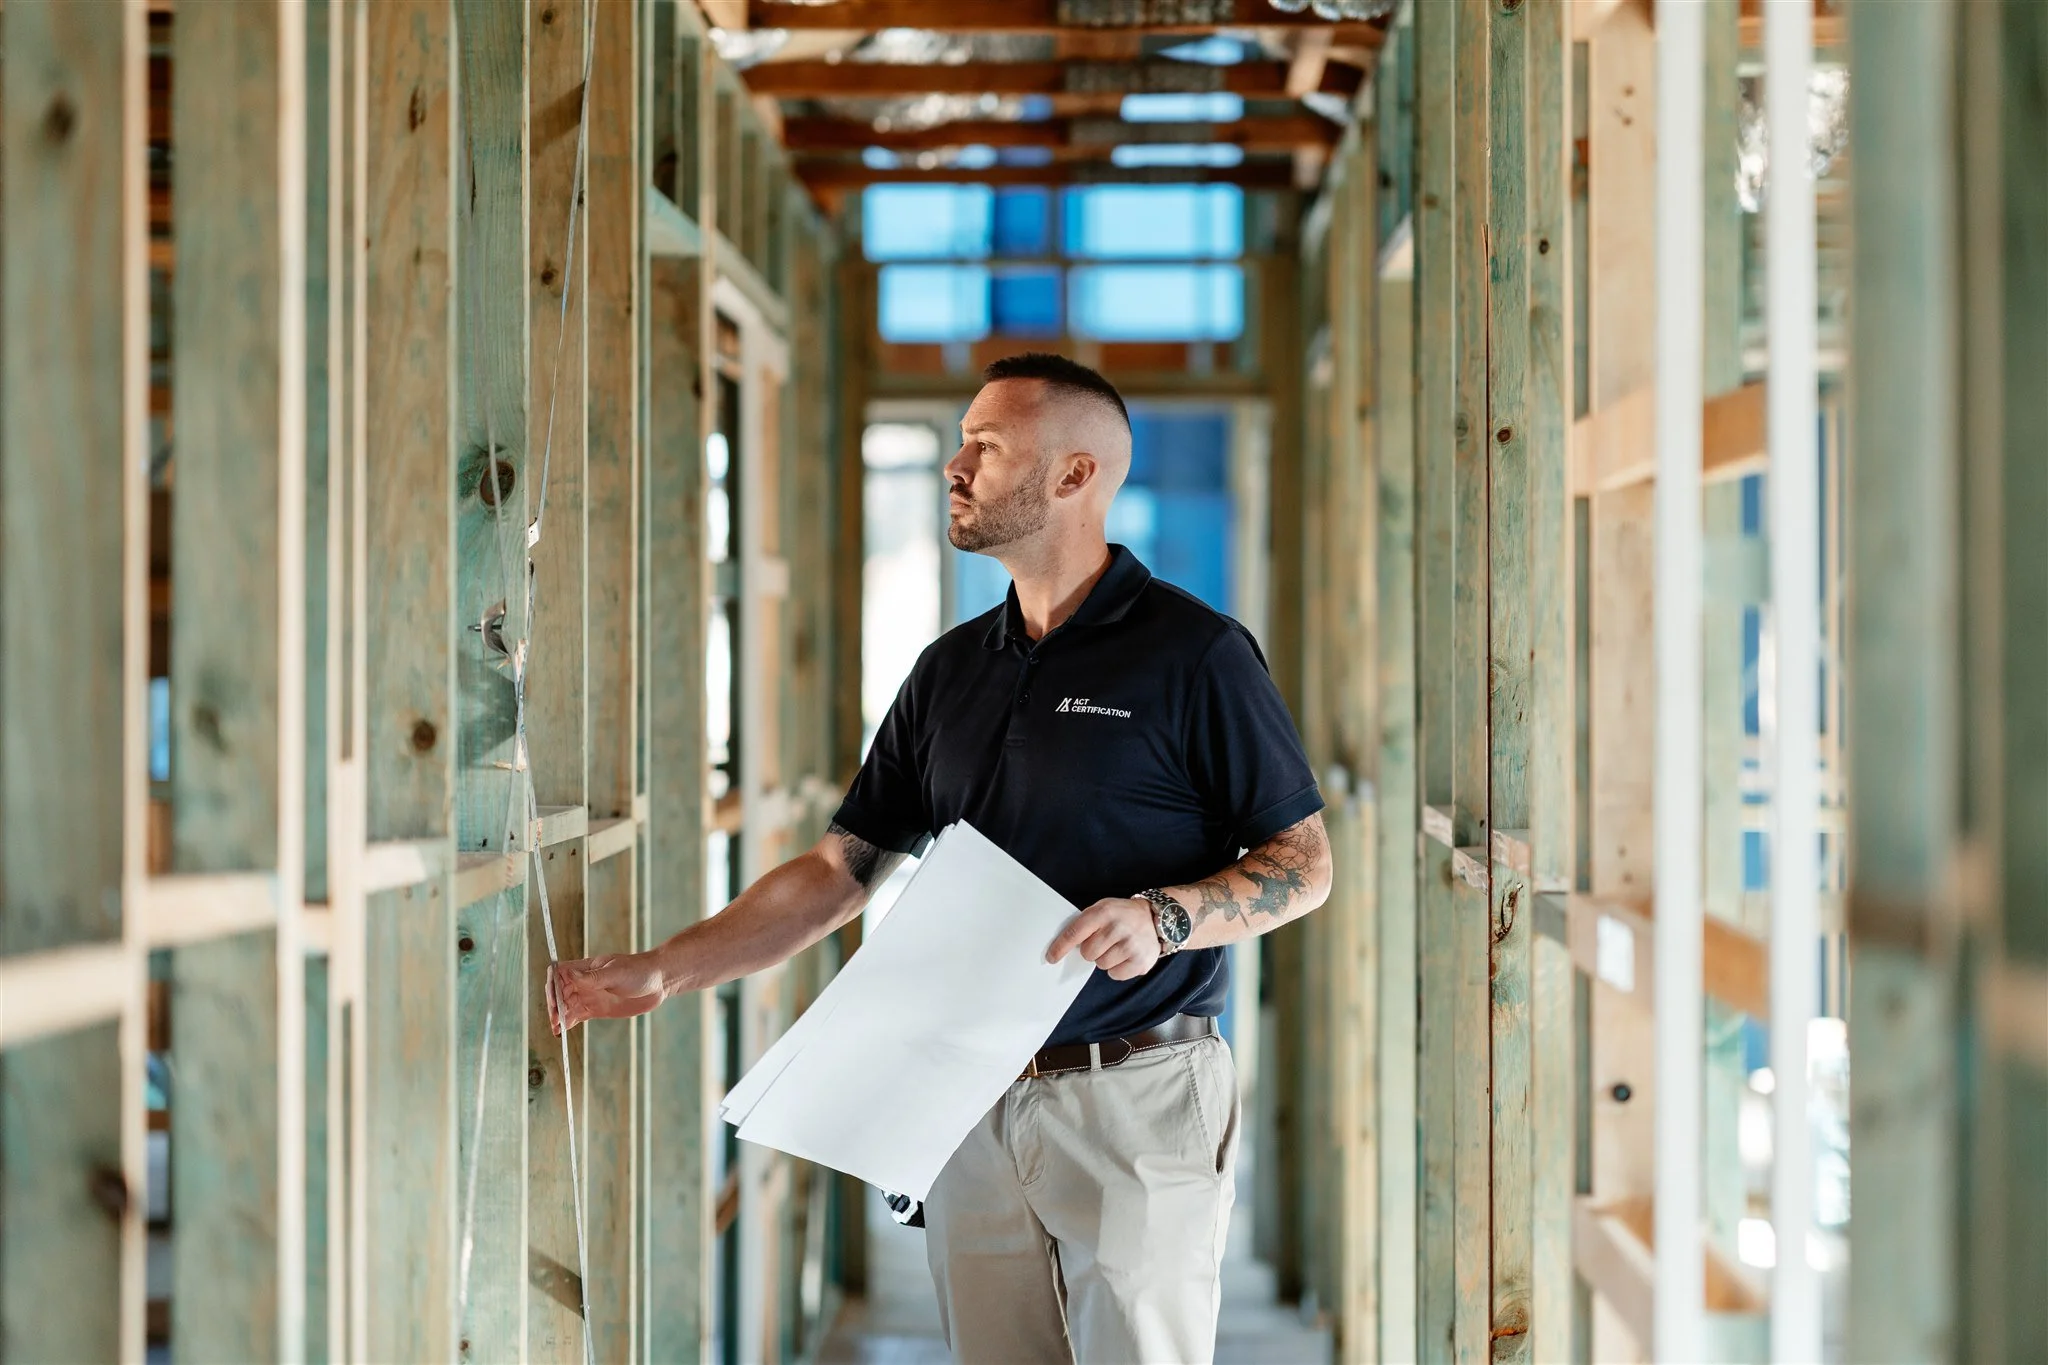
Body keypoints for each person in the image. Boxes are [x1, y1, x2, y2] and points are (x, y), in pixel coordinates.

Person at [549, 352, 1332, 1364]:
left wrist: (1165, 916)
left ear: (1072, 476)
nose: (954, 466)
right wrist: (669, 966)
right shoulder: (948, 670)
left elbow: (1302, 863)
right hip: (964, 1096)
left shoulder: (1196, 654)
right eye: (960, 441)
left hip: (1138, 1093)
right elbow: (839, 871)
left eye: (987, 446)